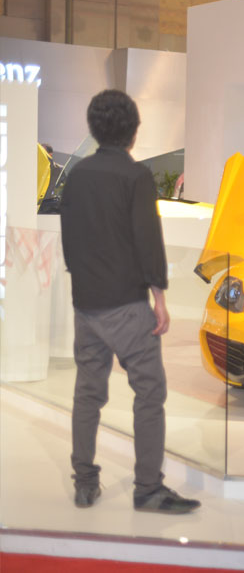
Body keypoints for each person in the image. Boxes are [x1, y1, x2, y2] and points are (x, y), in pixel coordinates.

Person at [60, 89, 200, 514]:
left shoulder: (77, 175)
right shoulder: (135, 175)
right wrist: (159, 297)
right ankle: (148, 488)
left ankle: (85, 483)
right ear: (133, 131)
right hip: (126, 305)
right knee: (149, 392)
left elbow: (69, 239)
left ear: (93, 128)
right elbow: (147, 240)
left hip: (86, 305)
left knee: (87, 394)